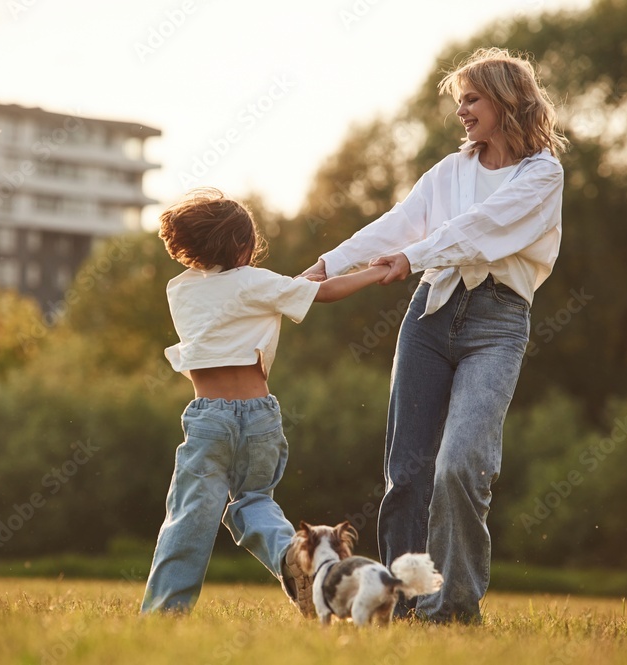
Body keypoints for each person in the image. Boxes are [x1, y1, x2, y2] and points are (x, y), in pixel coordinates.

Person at [299, 47, 568, 623]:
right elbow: (398, 221)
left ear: (504, 100)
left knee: (461, 463)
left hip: (497, 322)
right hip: (431, 315)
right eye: (459, 102)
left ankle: (453, 609)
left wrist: (412, 257)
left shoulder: (542, 173)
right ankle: (395, 607)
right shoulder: (449, 171)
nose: (462, 112)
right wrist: (330, 262)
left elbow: (480, 230)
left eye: (471, 99)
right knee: (408, 471)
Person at [141, 187, 390, 615]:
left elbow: (271, 291)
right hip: (259, 417)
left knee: (190, 516)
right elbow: (316, 293)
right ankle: (292, 557)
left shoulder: (178, 290)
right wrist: (374, 272)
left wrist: (305, 279)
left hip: (210, 419)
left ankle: (164, 611)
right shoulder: (259, 283)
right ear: (243, 247)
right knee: (254, 501)